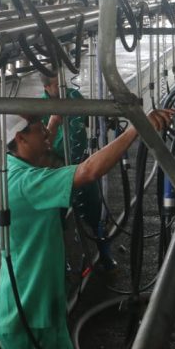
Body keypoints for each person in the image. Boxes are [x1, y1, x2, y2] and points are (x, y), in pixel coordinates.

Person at [0, 108, 174, 349]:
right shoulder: (23, 183)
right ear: (20, 138)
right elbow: (89, 170)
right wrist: (134, 130)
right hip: (28, 310)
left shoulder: (18, 169)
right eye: (41, 131)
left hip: (45, 304)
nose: (48, 136)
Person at [40, 74, 115, 270]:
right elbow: (40, 144)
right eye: (57, 84)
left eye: (63, 82)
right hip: (56, 168)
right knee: (56, 216)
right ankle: (61, 263)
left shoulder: (74, 96)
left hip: (81, 163)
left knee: (94, 207)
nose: (63, 87)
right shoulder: (38, 107)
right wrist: (53, 123)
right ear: (47, 87)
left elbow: (88, 118)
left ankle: (105, 254)